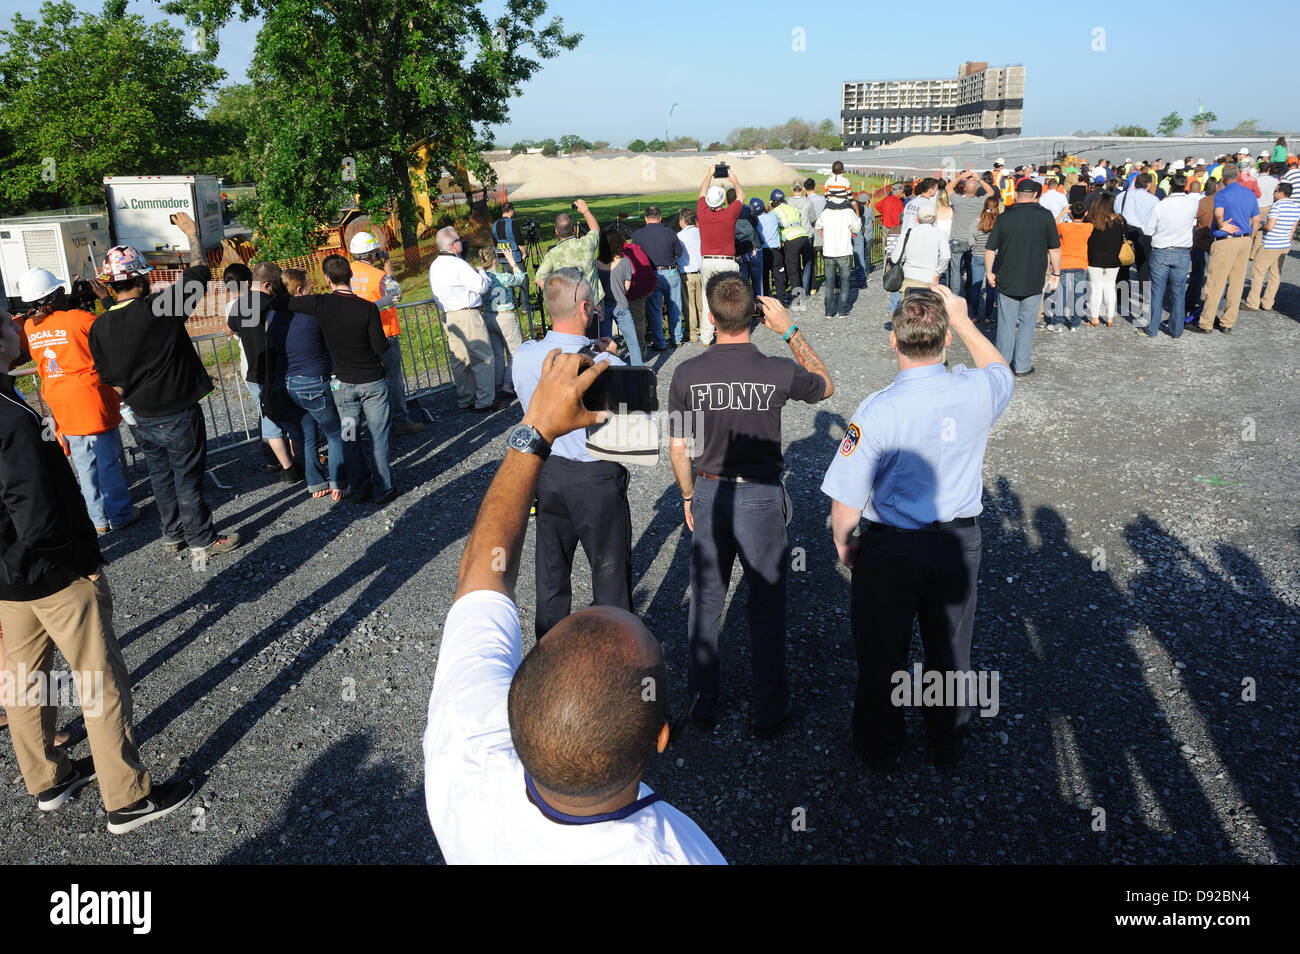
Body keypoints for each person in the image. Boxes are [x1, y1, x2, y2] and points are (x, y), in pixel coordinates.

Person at [423, 346, 724, 864]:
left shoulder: (464, 752)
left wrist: (534, 430)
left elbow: (479, 573)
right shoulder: (681, 851)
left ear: (517, 702)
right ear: (660, 737)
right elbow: (481, 576)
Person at [1, 314, 195, 833]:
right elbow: (31, 506)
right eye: (7, 324)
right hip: (51, 572)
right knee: (99, 680)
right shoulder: (10, 416)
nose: (17, 332)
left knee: (22, 682)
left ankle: (47, 778)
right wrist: (75, 559)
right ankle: (127, 797)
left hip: (10, 578)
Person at [822, 285, 1012, 771]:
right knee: (950, 649)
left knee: (881, 652)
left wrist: (846, 545)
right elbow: (1001, 371)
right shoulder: (975, 391)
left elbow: (846, 502)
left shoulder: (877, 410)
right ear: (945, 340)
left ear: (894, 340)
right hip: (958, 541)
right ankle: (947, 742)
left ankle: (881, 746)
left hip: (892, 548)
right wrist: (965, 321)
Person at [667, 273, 834, 733]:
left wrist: (687, 495)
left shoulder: (686, 374)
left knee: (705, 603)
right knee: (766, 607)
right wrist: (791, 330)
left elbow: (679, 447)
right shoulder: (778, 370)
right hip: (761, 497)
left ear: (711, 314)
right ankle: (769, 711)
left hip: (709, 490)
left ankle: (702, 705)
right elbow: (826, 385)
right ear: (755, 314)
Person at [88, 218, 241, 557]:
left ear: (110, 286)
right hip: (177, 414)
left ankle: (173, 535)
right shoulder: (161, 307)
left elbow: (109, 378)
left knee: (161, 477)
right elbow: (200, 272)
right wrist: (191, 235)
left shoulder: (99, 327)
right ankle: (202, 538)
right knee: (187, 476)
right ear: (143, 278)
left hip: (141, 417)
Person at [511, 270, 631, 638]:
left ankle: (548, 651)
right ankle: (612, 653)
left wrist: (595, 348)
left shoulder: (525, 356)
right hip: (596, 475)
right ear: (585, 307)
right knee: (610, 573)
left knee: (551, 569)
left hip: (546, 471)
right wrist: (605, 354)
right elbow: (633, 426)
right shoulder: (613, 370)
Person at [15, 269, 135, 535]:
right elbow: (114, 332)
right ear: (53, 296)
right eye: (61, 291)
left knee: (84, 462)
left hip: (60, 401)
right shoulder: (79, 318)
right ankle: (121, 514)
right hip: (90, 398)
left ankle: (97, 518)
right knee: (107, 461)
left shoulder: (29, 326)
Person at [287, 254, 397, 505]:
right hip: (372, 381)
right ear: (351, 276)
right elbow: (380, 346)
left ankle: (359, 489)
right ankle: (383, 488)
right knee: (379, 437)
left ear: (327, 279)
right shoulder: (367, 308)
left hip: (343, 385)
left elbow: (287, 303)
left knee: (349, 436)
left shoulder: (320, 304)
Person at [273, 268, 349, 502]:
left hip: (288, 384)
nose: (312, 287)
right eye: (308, 284)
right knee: (336, 433)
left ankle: (315, 482)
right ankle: (339, 482)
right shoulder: (312, 315)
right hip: (314, 381)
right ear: (300, 290)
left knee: (307, 435)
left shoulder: (274, 316)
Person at [230, 263, 307, 484]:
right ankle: (299, 459)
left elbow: (231, 327)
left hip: (253, 371)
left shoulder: (238, 305)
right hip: (276, 369)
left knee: (269, 419)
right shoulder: (273, 304)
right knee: (293, 417)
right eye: (275, 284)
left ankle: (288, 468)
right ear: (266, 284)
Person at [349, 232, 423, 434]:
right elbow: (396, 293)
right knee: (393, 379)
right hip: (384, 332)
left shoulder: (346, 272)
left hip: (357, 335)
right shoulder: (380, 276)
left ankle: (372, 423)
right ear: (373, 254)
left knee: (367, 380)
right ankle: (400, 420)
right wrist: (388, 270)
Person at [985, 179, 1060, 375]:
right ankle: (1022, 365)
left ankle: (1002, 365)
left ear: (1016, 194)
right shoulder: (1045, 216)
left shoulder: (1004, 217)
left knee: (1006, 324)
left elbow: (990, 248)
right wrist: (1056, 273)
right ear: (1036, 195)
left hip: (1007, 276)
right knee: (1028, 323)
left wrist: (989, 272)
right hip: (1034, 277)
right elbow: (1054, 248)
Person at [427, 226, 502, 412]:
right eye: (459, 239)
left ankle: (465, 398)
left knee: (460, 360)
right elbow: (480, 287)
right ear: (452, 245)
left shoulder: (434, 265)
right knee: (483, 357)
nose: (463, 242)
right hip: (467, 313)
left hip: (449, 315)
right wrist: (482, 272)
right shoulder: (459, 264)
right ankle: (485, 400)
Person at [1191, 163, 1259, 335]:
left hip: (1226, 241)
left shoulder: (1222, 194)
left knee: (1215, 283)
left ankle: (1205, 323)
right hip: (1244, 241)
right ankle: (1228, 322)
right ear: (1238, 175)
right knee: (1236, 284)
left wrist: (1222, 225)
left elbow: (1219, 213)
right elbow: (1257, 219)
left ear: (1223, 178)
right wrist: (1250, 238)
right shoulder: (1249, 194)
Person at [1141, 174, 1198, 339]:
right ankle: (1176, 329)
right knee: (1178, 292)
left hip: (1162, 250)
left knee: (1157, 291)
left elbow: (1148, 230)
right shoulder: (1193, 204)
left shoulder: (1161, 205)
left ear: (1171, 186)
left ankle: (1152, 328)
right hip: (1182, 251)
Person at [695, 167, 744, 344]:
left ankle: (707, 337)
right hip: (727, 262)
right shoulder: (729, 214)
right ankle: (731, 332)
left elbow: (701, 192)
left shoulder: (702, 212)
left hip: (707, 262)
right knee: (731, 299)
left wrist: (709, 174)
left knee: (707, 299)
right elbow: (741, 197)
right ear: (723, 201)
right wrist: (734, 180)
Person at [534, 199, 603, 317]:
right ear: (575, 230)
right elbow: (595, 230)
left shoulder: (553, 254)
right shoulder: (586, 244)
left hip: (570, 307)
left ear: (556, 232)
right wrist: (585, 211)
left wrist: (559, 295)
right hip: (594, 303)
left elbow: (539, 279)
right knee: (599, 334)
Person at [631, 206, 685, 352]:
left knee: (654, 310)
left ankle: (660, 342)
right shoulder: (669, 232)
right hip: (671, 271)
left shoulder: (639, 235)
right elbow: (678, 252)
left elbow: (633, 256)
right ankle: (677, 338)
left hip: (652, 274)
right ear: (660, 218)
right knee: (675, 306)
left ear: (645, 218)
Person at [476, 246, 527, 400]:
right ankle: (508, 383)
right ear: (495, 260)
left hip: (488, 316)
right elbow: (520, 278)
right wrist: (512, 262)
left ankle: (498, 383)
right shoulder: (503, 277)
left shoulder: (482, 278)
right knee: (515, 352)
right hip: (505, 317)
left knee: (497, 353)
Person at [1244, 182, 1300, 311]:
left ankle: (1253, 302)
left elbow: (1270, 226)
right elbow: (1293, 229)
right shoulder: (1295, 207)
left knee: (1258, 272)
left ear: (1280, 193)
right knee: (1275, 274)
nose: (1274, 194)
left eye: (1275, 191)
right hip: (1284, 244)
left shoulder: (1277, 206)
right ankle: (1268, 302)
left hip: (1270, 244)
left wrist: (1260, 227)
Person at [600, 229, 648, 365]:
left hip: (603, 306)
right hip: (620, 304)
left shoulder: (596, 263)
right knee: (632, 341)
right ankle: (638, 369)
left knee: (606, 342)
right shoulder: (625, 261)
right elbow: (627, 285)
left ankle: (608, 367)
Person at [1045, 202, 1092, 331]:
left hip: (1064, 263)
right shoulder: (1089, 227)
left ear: (1071, 214)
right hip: (1081, 263)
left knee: (1062, 294)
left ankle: (1058, 322)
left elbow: (1052, 227)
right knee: (1078, 294)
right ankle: (1075, 324)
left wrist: (1062, 212)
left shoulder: (1064, 227)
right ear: (1085, 213)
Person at [816, 189, 861, 318]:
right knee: (845, 282)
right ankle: (843, 310)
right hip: (844, 251)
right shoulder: (848, 212)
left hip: (829, 251)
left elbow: (818, 225)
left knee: (829, 282)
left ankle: (829, 311)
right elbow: (857, 228)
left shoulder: (826, 212)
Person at [1085, 193, 1126, 328]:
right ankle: (1110, 317)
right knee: (1110, 287)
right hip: (1113, 257)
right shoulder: (1120, 221)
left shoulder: (1091, 220)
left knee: (1095, 288)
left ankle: (1095, 318)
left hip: (1094, 257)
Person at [771, 188, 811, 312]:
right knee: (799, 267)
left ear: (774, 202)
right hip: (804, 236)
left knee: (792, 270)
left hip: (791, 238)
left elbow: (776, 227)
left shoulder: (775, 211)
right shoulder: (792, 208)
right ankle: (801, 292)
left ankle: (797, 300)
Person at [898, 205, 949, 298]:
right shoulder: (941, 234)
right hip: (929, 279)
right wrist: (938, 272)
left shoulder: (907, 233)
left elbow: (895, 258)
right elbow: (946, 256)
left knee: (907, 311)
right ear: (935, 219)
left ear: (917, 219)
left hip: (908, 278)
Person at [1188, 178, 1219, 312]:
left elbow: (1194, 216)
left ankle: (1192, 300)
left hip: (1202, 241)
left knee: (1197, 273)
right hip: (1218, 241)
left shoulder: (1204, 201)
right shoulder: (1222, 201)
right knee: (1216, 275)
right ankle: (1216, 301)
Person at [967, 196, 999, 322]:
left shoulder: (976, 222)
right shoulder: (999, 223)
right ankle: (988, 316)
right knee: (991, 287)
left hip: (978, 256)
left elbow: (970, 242)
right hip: (995, 257)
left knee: (976, 286)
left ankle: (974, 315)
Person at [786, 180, 817, 304]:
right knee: (807, 263)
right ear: (802, 189)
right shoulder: (807, 202)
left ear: (791, 188)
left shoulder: (787, 202)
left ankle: (797, 290)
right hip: (807, 234)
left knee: (794, 265)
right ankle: (804, 288)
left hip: (792, 235)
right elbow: (813, 218)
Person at [677, 208, 703, 342]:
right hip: (702, 272)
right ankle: (704, 330)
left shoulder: (680, 236)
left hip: (687, 274)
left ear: (682, 221)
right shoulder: (701, 232)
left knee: (689, 306)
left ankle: (692, 333)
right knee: (701, 304)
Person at [754, 197, 785, 299]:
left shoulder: (755, 220)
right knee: (779, 276)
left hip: (762, 251)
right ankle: (782, 298)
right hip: (775, 251)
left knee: (764, 276)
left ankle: (767, 298)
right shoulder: (773, 216)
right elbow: (781, 224)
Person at [734, 195, 764, 298]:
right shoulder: (748, 209)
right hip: (754, 247)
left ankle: (747, 307)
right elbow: (756, 223)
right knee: (757, 281)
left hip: (740, 250)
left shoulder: (727, 213)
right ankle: (760, 305)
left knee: (744, 282)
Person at [852, 191, 874, 289]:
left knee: (859, 256)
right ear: (867, 201)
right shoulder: (869, 210)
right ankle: (866, 273)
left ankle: (858, 273)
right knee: (867, 255)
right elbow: (873, 220)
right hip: (868, 236)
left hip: (858, 235)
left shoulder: (855, 210)